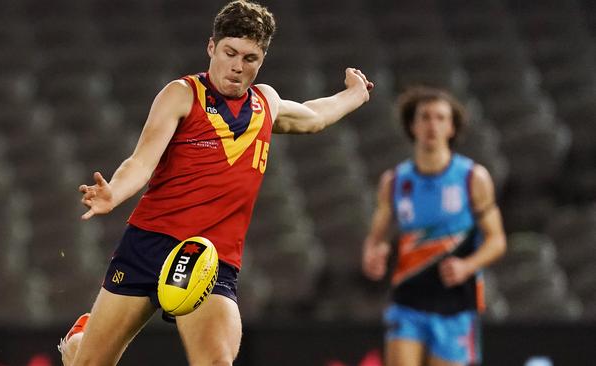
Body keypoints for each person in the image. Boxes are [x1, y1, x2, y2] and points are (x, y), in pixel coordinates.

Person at [58, 1, 374, 365]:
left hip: (210, 258)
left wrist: (355, 94)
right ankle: (81, 343)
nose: (238, 66)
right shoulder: (181, 94)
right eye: (230, 52)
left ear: (262, 59)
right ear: (212, 47)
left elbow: (314, 116)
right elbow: (141, 161)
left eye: (250, 58)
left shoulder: (265, 103)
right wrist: (113, 192)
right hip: (149, 245)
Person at [361, 86, 506, 366]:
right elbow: (376, 237)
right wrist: (373, 254)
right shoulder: (394, 182)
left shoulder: (472, 178)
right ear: (412, 125)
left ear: (452, 127)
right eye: (425, 117)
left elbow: (497, 240)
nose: (432, 125)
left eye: (440, 118)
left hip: (455, 307)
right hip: (408, 302)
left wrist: (467, 266)